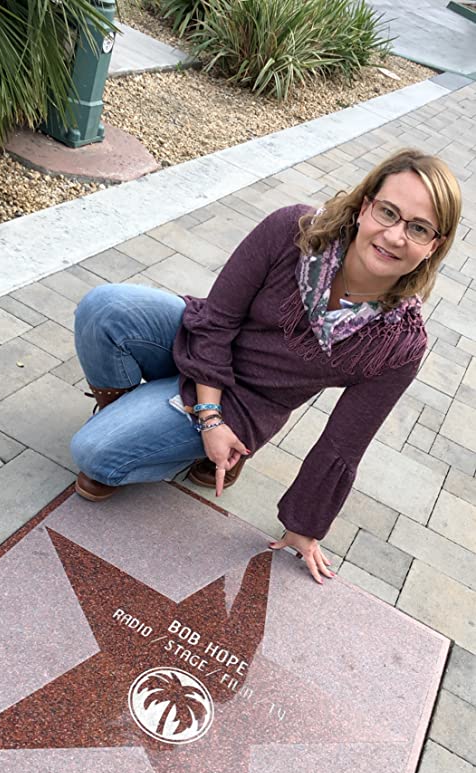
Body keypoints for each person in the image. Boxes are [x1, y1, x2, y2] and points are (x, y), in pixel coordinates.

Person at [71, 148, 461, 584]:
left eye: (418, 228)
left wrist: (305, 526)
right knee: (104, 308)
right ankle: (133, 415)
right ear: (365, 205)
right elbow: (218, 318)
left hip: (248, 404)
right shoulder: (294, 231)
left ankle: (176, 436)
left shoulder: (399, 343)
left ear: (434, 245)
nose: (395, 236)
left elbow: (343, 443)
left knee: (93, 454)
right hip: (203, 337)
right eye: (388, 211)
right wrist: (208, 417)